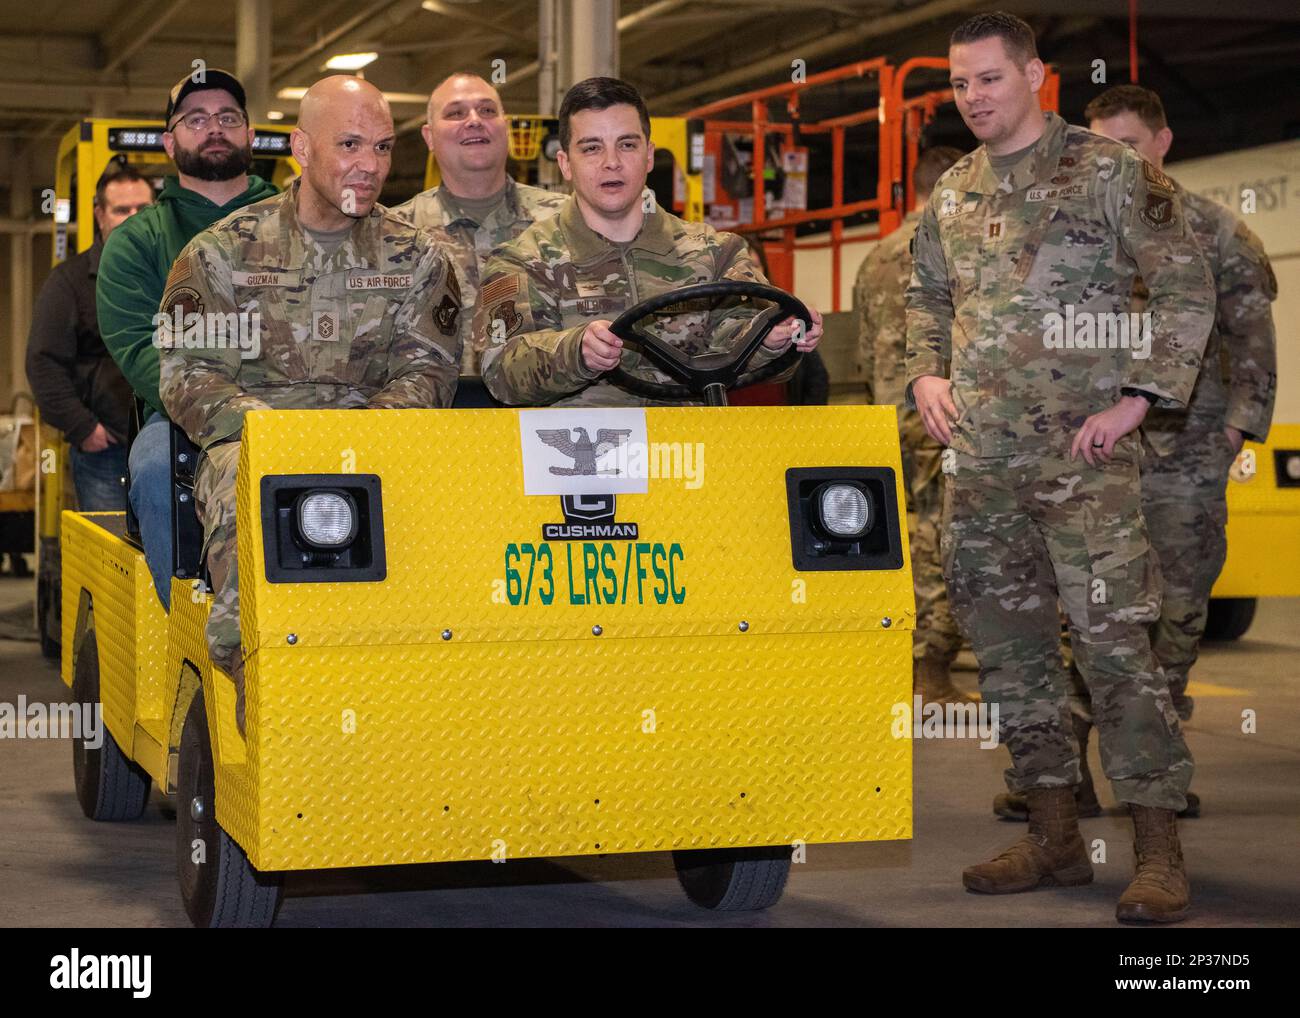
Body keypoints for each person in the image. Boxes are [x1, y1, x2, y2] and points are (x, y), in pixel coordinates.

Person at [905, 12, 1215, 923]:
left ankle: (1158, 851)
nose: (974, 99)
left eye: (990, 80)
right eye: (960, 85)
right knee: (1013, 662)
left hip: (1084, 471)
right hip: (986, 466)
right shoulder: (953, 190)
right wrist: (926, 368)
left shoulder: (1109, 170)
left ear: (1036, 74)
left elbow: (1186, 283)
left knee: (1118, 653)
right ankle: (1052, 838)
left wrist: (1139, 399)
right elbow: (926, 292)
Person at [993, 84, 1279, 824]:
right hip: (1093, 451)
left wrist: (1239, 427)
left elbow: (1251, 337)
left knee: (1176, 614)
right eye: (1102, 144)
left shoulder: (1217, 233)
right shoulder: (1077, 227)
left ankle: (1154, 774)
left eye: (1128, 143)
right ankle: (1063, 778)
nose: (1114, 158)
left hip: (1185, 448)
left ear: (1163, 143)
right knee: (1089, 612)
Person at [158, 76, 462, 734]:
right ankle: (257, 687)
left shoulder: (418, 256)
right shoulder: (220, 253)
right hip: (255, 443)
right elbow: (187, 373)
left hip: (384, 445)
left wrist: (363, 437)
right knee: (247, 487)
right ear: (300, 147)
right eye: (348, 143)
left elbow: (428, 368)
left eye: (381, 148)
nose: (368, 164)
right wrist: (271, 434)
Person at [478, 76, 822, 407]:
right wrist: (575, 351)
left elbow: (749, 344)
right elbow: (500, 372)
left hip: (689, 453)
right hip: (578, 453)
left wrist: (774, 338)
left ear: (649, 155)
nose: (611, 162)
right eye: (592, 148)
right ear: (566, 164)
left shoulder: (715, 252)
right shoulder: (521, 261)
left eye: (627, 144)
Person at [98, 68, 278, 609]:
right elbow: (137, 347)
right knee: (153, 468)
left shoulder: (299, 221)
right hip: (182, 417)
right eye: (195, 119)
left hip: (306, 404)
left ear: (250, 134)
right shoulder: (137, 242)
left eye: (228, 117)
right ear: (169, 142)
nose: (214, 128)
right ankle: (183, 622)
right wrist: (234, 414)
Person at [853, 145, 966, 705]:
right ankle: (930, 667)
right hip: (938, 415)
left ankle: (896, 654)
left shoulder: (875, 256)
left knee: (899, 534)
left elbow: (859, 352)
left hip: (884, 419)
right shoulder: (949, 247)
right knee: (940, 534)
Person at [391, 72, 566, 378]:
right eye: (455, 113)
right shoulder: (397, 233)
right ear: (429, 137)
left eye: (487, 110)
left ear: (506, 127)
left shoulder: (562, 221)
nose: (474, 120)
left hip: (541, 414)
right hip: (435, 415)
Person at [26, 164, 153, 509]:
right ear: (100, 215)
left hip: (167, 447)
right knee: (111, 558)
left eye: (143, 209)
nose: (133, 218)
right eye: (121, 210)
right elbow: (43, 362)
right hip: (107, 454)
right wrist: (83, 429)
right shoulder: (70, 282)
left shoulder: (174, 273)